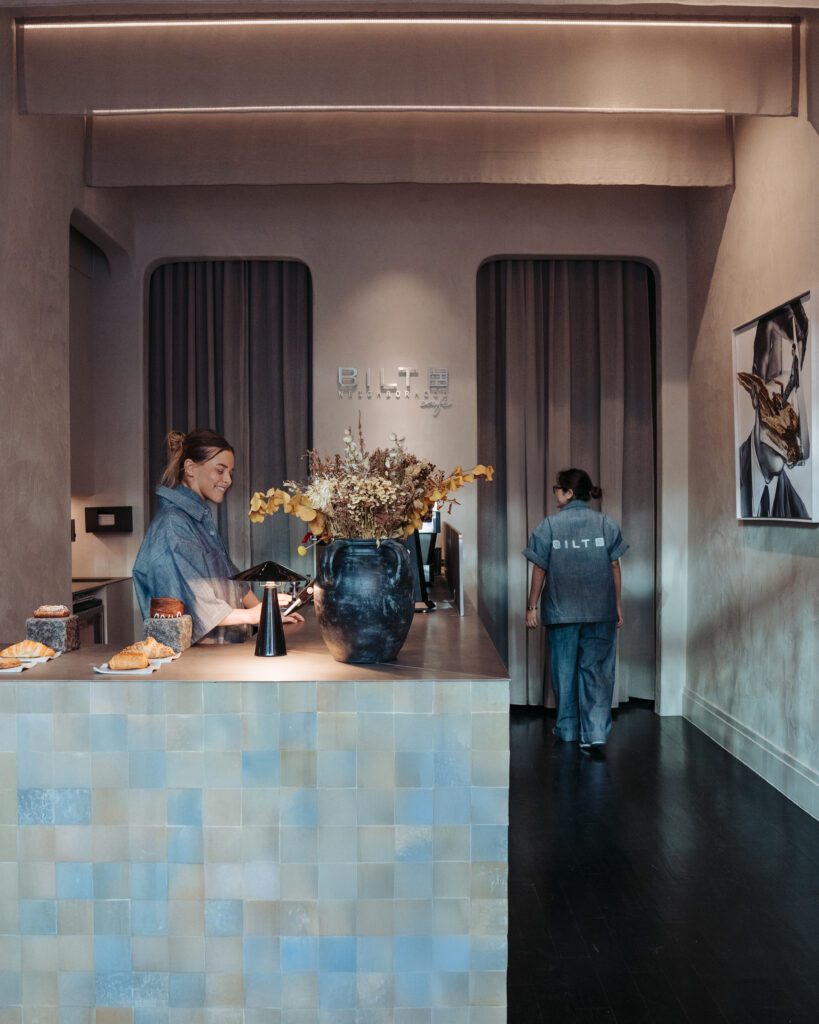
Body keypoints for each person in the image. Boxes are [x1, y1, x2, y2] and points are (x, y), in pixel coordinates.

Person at [133, 428, 303, 644]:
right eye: (220, 470)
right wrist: (252, 615)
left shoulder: (199, 519)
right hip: (195, 662)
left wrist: (268, 613)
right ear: (190, 468)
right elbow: (191, 599)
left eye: (230, 472)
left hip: (220, 652)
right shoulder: (173, 525)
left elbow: (230, 580)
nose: (228, 480)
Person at [523, 468, 628, 757]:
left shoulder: (549, 526)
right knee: (597, 673)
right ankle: (593, 734)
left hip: (562, 612)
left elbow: (539, 568)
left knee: (564, 671)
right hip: (600, 611)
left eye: (557, 488)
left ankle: (568, 730)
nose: (555, 492)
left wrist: (531, 605)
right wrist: (617, 604)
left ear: (569, 493)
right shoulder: (606, 523)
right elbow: (615, 567)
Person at [737, 300, 810, 519]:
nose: (791, 415)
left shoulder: (798, 511)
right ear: (753, 389)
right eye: (778, 388)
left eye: (794, 387)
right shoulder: (730, 475)